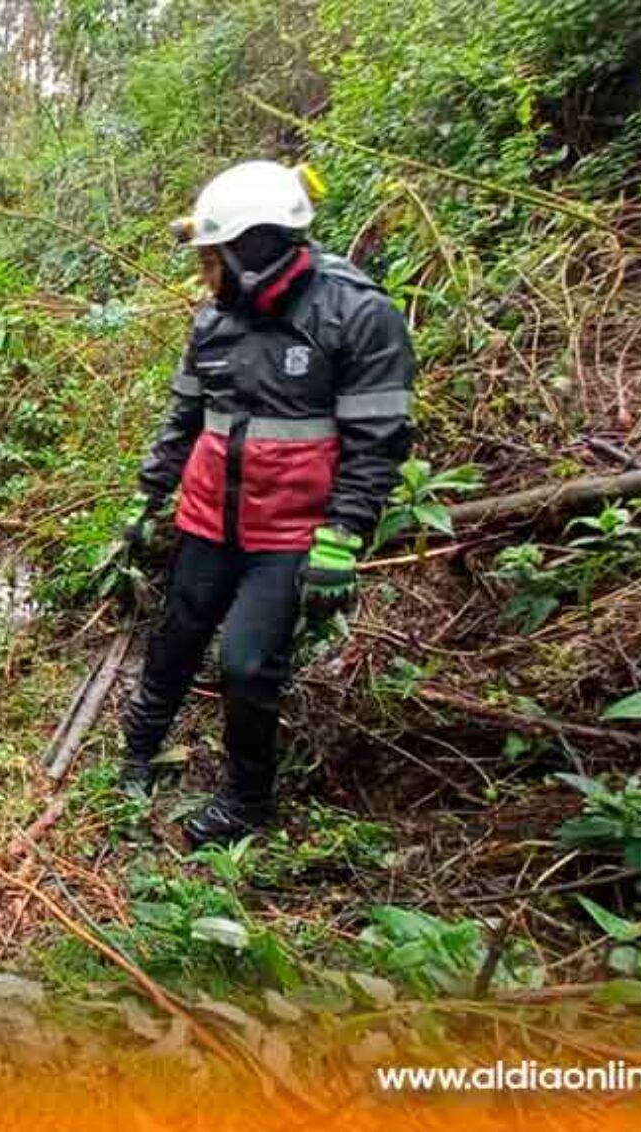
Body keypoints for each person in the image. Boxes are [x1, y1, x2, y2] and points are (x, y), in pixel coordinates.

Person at [119, 160, 415, 847]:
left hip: (291, 534)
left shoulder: (356, 315)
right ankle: (140, 750)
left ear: (251, 250)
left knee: (249, 665)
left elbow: (378, 440)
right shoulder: (214, 322)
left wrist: (343, 536)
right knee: (176, 635)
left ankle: (248, 802)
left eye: (212, 256)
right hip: (207, 518)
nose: (204, 271)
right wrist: (147, 493)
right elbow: (184, 417)